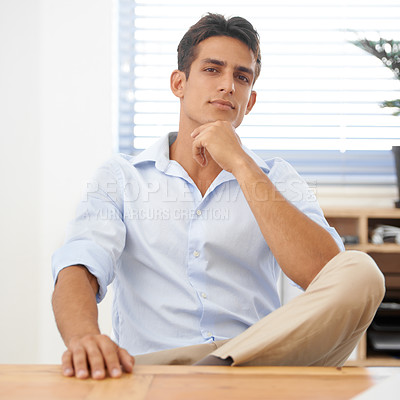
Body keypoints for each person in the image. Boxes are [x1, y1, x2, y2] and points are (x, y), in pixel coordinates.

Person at [51, 13, 385, 380]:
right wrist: (84, 337)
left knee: (362, 272)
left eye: (242, 77)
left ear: (251, 100)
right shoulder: (122, 177)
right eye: (213, 70)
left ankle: (218, 373)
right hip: (157, 369)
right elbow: (79, 266)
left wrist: (241, 164)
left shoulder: (276, 177)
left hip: (257, 360)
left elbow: (325, 275)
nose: (228, 85)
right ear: (179, 83)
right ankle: (212, 378)